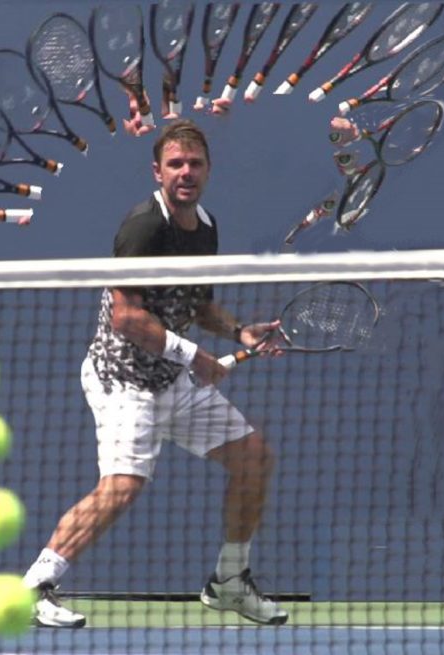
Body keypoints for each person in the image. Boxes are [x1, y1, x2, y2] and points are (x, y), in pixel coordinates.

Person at [22, 119, 288, 628]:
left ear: (208, 170)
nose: (186, 172)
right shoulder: (144, 227)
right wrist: (196, 357)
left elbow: (199, 304)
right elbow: (126, 316)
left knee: (254, 457)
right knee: (123, 485)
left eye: (195, 164)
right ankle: (35, 587)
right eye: (176, 164)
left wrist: (238, 332)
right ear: (158, 172)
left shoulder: (205, 227)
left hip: (171, 379)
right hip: (122, 380)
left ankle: (229, 582)